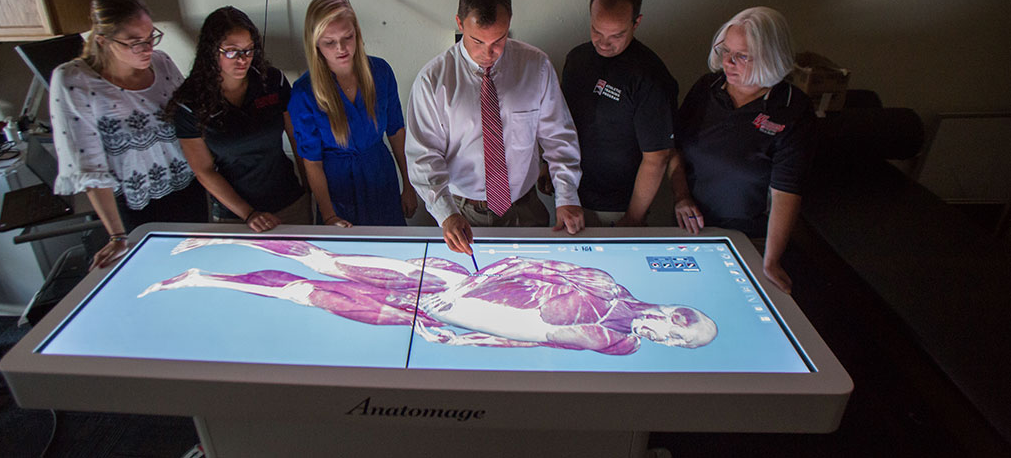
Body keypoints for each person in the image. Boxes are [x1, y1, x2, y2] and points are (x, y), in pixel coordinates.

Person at [141, 238, 718, 355]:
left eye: (678, 343)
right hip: (448, 282)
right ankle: (219, 240)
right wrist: (466, 288)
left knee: (310, 294)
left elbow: (532, 344)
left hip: (444, 315)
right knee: (329, 262)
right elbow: (523, 262)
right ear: (675, 310)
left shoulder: (620, 346)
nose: (665, 334)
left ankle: (203, 281)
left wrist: (460, 336)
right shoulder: (607, 288)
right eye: (678, 325)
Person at [406, 0, 585, 255]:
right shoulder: (433, 80)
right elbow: (423, 156)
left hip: (527, 210)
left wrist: (567, 196)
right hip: (464, 214)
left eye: (498, 40)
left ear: (510, 22)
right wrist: (445, 213)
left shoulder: (536, 66)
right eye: (477, 41)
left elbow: (558, 136)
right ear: (459, 23)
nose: (488, 53)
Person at [50, 0, 206, 269]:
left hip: (187, 191)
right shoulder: (75, 81)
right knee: (152, 272)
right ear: (103, 40)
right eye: (135, 43)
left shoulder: (162, 62)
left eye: (150, 37)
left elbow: (189, 121)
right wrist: (117, 235)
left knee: (194, 267)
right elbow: (89, 166)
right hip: (135, 203)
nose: (147, 48)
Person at [666, 7, 814, 293]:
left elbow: (786, 191)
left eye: (741, 56)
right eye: (725, 51)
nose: (728, 62)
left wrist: (771, 261)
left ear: (770, 56)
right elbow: (675, 149)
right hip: (692, 225)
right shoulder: (707, 88)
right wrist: (681, 197)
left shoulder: (793, 109)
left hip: (750, 237)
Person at [167, 7, 310, 232]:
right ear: (211, 51)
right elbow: (204, 170)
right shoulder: (190, 103)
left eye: (249, 50)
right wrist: (249, 213)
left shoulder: (271, 81)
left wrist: (310, 190)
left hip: (290, 201)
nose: (243, 60)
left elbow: (297, 138)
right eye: (232, 51)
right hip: (235, 214)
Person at [288, 0, 416, 227]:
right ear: (315, 43)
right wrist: (329, 216)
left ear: (357, 32)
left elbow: (396, 131)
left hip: (380, 177)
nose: (341, 48)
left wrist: (408, 184)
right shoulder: (304, 93)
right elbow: (312, 161)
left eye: (348, 37)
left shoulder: (380, 72)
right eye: (329, 42)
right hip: (337, 190)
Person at [559, 0, 677, 227]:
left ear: (636, 23)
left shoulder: (650, 77)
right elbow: (561, 122)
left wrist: (633, 217)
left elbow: (657, 158)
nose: (604, 43)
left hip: (619, 207)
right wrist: (549, 170)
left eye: (616, 35)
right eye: (596, 31)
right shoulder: (576, 59)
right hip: (571, 197)